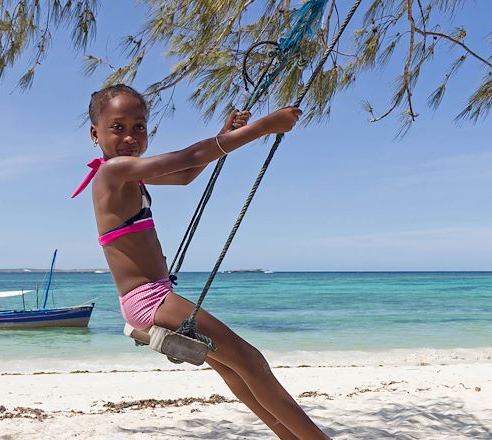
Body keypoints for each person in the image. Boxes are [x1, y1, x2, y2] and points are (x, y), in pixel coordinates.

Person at [72, 84, 328, 439]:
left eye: (139, 127)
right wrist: (264, 127)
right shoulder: (111, 174)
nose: (130, 136)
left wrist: (224, 136)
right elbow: (191, 157)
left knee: (235, 369)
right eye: (118, 127)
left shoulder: (131, 175)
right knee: (251, 361)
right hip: (149, 300)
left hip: (151, 296)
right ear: (95, 133)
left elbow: (188, 173)